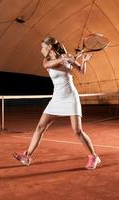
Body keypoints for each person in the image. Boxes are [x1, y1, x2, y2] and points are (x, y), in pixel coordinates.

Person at [13, 36, 101, 170]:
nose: (41, 49)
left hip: (71, 97)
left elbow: (82, 71)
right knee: (40, 127)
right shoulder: (46, 60)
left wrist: (84, 61)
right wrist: (66, 58)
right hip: (57, 98)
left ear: (49, 47)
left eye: (43, 46)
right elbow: (49, 65)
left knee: (77, 131)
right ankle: (27, 156)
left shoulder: (67, 57)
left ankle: (93, 156)